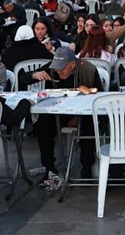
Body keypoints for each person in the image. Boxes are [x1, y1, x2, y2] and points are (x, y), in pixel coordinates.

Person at [29, 46, 104, 184]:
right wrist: (34, 75)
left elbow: (99, 96)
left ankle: (86, 168)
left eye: (62, 68)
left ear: (72, 64)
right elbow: (23, 79)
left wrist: (78, 115)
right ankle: (49, 167)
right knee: (41, 125)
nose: (58, 71)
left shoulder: (88, 70)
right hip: (57, 110)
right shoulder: (52, 69)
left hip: (83, 111)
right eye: (57, 67)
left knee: (88, 126)